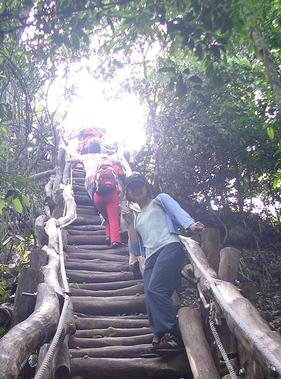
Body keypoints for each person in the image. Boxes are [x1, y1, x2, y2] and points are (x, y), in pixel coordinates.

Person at [122, 174, 204, 352]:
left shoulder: (160, 200)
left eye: (139, 186)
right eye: (132, 188)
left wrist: (190, 225)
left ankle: (172, 335)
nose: (136, 190)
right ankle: (161, 337)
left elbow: (176, 211)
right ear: (128, 194)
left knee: (156, 289)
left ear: (147, 187)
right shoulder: (136, 217)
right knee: (150, 294)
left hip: (169, 247)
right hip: (150, 257)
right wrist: (129, 224)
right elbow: (135, 249)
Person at [66, 144, 123, 247]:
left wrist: (67, 159)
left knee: (105, 215)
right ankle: (114, 240)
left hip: (94, 186)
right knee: (113, 218)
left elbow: (70, 161)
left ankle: (107, 234)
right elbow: (119, 164)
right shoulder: (108, 161)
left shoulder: (86, 158)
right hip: (111, 194)